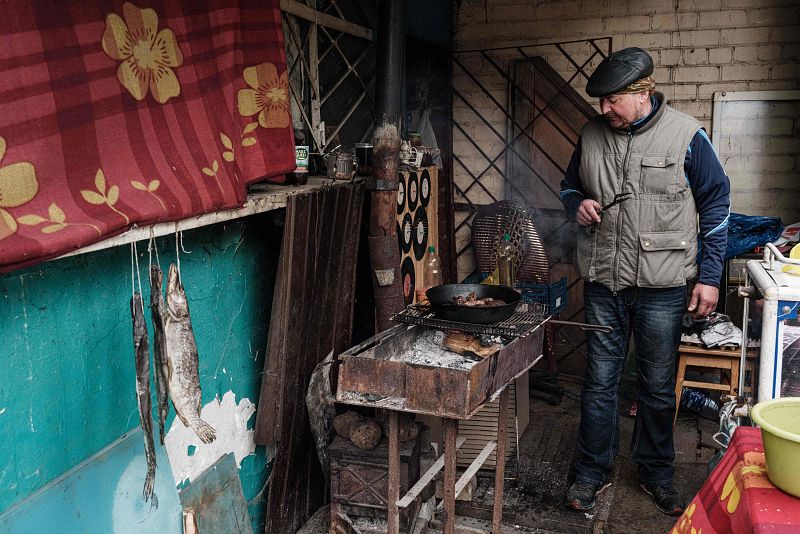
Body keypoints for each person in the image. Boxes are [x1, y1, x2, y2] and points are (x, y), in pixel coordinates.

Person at [559, 47, 730, 516]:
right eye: (600, 101)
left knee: (655, 386)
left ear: (643, 92)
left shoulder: (687, 136)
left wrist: (709, 278)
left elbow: (716, 207)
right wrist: (576, 203)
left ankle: (656, 472)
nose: (603, 110)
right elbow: (569, 184)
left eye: (612, 100)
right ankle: (591, 471)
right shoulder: (592, 135)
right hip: (602, 283)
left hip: (663, 287)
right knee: (598, 383)